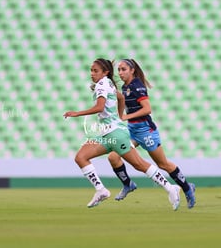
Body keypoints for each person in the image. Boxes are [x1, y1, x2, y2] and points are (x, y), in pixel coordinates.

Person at [63, 58, 181, 210]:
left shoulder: (102, 85)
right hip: (107, 134)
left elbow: (99, 107)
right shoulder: (108, 83)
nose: (92, 74)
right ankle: (101, 190)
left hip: (116, 134)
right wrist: (119, 117)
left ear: (105, 72)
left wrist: (76, 113)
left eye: (95, 71)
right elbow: (121, 97)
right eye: (91, 70)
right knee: (81, 157)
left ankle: (171, 188)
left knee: (139, 164)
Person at [107, 59, 196, 208]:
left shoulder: (137, 86)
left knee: (163, 164)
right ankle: (128, 184)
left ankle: (187, 188)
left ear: (132, 70)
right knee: (113, 156)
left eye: (123, 69)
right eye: (119, 70)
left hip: (145, 130)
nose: (121, 73)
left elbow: (147, 109)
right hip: (132, 130)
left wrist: (126, 117)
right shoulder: (125, 87)